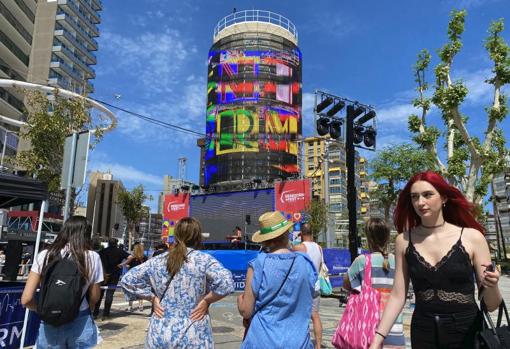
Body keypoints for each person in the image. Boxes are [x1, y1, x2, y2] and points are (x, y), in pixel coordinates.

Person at [369, 171, 502, 349]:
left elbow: (492, 305)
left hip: (467, 331)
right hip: (423, 331)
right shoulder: (403, 240)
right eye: (414, 197)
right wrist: (378, 337)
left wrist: (492, 285)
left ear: (444, 197)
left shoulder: (472, 238)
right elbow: (397, 296)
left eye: (427, 195)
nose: (420, 202)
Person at [120, 217, 234, 348]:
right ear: (197, 237)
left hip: (159, 332)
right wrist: (207, 300)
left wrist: (152, 298)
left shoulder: (157, 260)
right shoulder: (204, 260)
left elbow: (127, 280)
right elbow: (227, 283)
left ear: (176, 235)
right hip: (194, 332)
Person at [237, 211, 317, 349]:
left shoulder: (257, 265)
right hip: (298, 341)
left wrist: (239, 300)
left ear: (265, 239)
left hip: (263, 340)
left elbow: (246, 311)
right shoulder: (305, 263)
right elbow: (309, 296)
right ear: (286, 234)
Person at [21, 216, 103, 348]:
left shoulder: (45, 255)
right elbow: (94, 297)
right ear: (87, 234)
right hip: (80, 318)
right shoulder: (92, 257)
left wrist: (45, 309)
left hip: (50, 321)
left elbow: (26, 299)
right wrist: (90, 308)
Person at [343, 218, 405, 348]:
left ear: (369, 239)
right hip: (395, 331)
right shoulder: (398, 261)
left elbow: (346, 284)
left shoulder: (362, 261)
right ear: (388, 237)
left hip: (369, 332)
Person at [293, 223, 324, 349]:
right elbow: (321, 265)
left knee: (301, 316)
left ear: (301, 234)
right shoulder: (319, 248)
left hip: (304, 287)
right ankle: (318, 346)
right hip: (316, 286)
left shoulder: (300, 247)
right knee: (315, 316)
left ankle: (302, 344)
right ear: (312, 233)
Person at [93, 238, 130, 320]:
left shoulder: (103, 251)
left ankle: (95, 312)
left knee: (100, 293)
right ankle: (106, 314)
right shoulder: (120, 251)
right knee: (109, 294)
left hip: (103, 274)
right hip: (115, 275)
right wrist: (122, 264)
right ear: (116, 243)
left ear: (109, 243)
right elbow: (131, 257)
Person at [121, 243, 147, 312]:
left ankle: (130, 306)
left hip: (132, 276)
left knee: (131, 291)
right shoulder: (144, 257)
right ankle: (140, 306)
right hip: (141, 275)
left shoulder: (132, 257)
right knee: (140, 291)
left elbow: (127, 266)